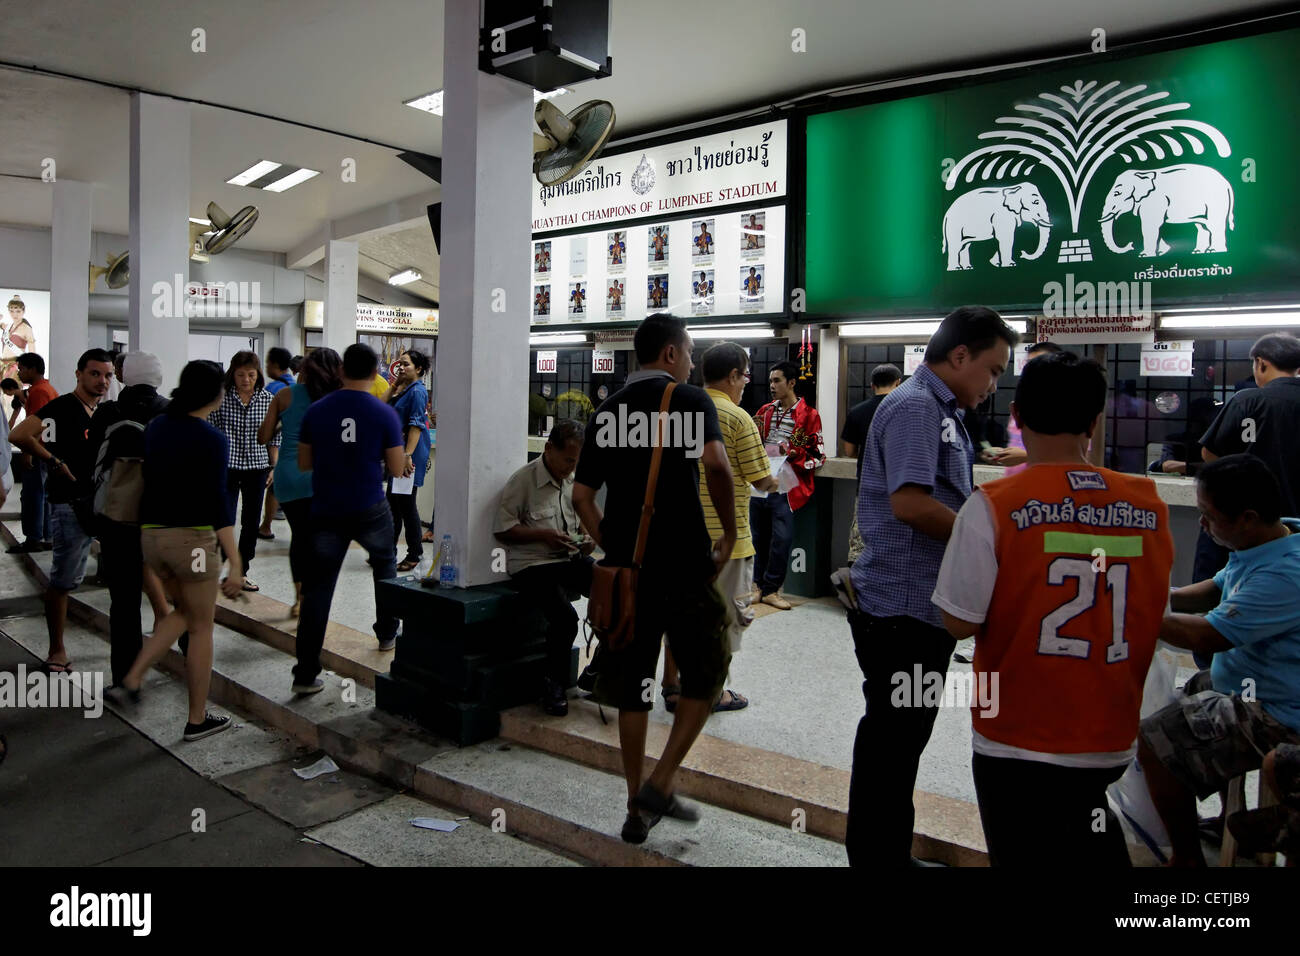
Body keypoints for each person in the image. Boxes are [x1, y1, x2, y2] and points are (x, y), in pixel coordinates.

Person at [932, 351, 1174, 866]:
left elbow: (958, 622)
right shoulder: (1148, 504)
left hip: (1016, 736)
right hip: (1109, 732)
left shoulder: (993, 504)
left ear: (1016, 416)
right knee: (1087, 829)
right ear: (1094, 420)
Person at [845, 305, 1016, 867]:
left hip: (915, 605)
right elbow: (911, 503)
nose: (993, 384)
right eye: (992, 369)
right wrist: (985, 540)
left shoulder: (937, 409)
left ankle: (885, 852)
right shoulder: (918, 407)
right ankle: (878, 859)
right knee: (893, 743)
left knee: (899, 741)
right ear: (960, 356)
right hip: (901, 608)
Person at [573, 313, 737, 844]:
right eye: (689, 353)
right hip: (686, 565)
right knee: (708, 670)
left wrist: (611, 543)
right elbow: (716, 466)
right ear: (670, 354)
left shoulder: (605, 412)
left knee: (632, 686)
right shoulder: (690, 401)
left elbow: (581, 496)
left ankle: (635, 804)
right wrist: (729, 534)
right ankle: (662, 781)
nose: (692, 363)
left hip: (626, 571)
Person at [1137, 454, 1300, 867]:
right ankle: (1219, 814)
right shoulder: (1269, 541)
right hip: (1241, 681)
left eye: (1208, 517)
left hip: (1278, 713)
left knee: (1153, 743)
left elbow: (1208, 633)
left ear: (1247, 517)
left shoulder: (1285, 573)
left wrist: (1131, 611)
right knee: (1171, 700)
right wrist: (1156, 594)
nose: (1203, 525)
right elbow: (1215, 589)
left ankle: (1187, 858)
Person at [116, 360, 245, 741]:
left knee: (184, 613)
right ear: (213, 394)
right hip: (192, 541)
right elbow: (219, 504)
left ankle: (134, 677)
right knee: (202, 627)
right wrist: (235, 562)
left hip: (153, 539)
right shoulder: (211, 439)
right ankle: (196, 719)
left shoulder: (158, 428)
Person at [662, 342, 777, 714]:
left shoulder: (679, 409)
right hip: (726, 541)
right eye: (745, 376)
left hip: (679, 537)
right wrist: (778, 480)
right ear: (732, 376)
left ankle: (671, 684)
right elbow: (761, 479)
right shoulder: (737, 417)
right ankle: (710, 692)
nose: (746, 383)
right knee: (723, 621)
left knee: (680, 614)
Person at [293, 344, 405, 694]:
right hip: (370, 506)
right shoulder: (384, 413)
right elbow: (399, 468)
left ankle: (306, 674)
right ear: (375, 374)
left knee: (318, 589)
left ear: (341, 370)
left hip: (326, 509)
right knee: (385, 568)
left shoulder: (316, 411)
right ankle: (387, 634)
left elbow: (304, 464)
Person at [10, 348, 114, 673]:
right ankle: (57, 650)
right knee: (63, 579)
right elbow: (19, 434)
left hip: (99, 502)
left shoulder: (102, 411)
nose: (102, 381)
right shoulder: (63, 406)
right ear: (79, 374)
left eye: (108, 375)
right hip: (69, 502)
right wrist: (53, 460)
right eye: (95, 374)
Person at [493, 419, 595, 716]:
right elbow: (503, 528)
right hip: (533, 564)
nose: (570, 468)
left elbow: (583, 526)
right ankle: (554, 684)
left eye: (576, 462)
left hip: (567, 558)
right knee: (565, 617)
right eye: (568, 460)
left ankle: (600, 668)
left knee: (613, 588)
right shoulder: (523, 481)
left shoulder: (573, 480)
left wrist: (586, 541)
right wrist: (544, 535)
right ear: (549, 449)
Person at [88, 352, 172, 688]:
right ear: (157, 378)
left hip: (116, 515)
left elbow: (91, 457)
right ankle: (189, 654)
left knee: (122, 600)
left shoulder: (109, 411)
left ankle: (125, 676)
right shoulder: (169, 412)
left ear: (125, 377)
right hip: (159, 517)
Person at [258, 348, 342, 618]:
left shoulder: (284, 395)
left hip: (290, 477)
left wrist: (285, 421)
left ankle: (299, 598)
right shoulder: (338, 399)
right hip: (323, 478)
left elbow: (263, 436)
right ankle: (316, 598)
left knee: (300, 538)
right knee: (321, 540)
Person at [750, 361, 825, 610]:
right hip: (760, 483)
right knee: (757, 537)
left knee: (781, 539)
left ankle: (772, 589)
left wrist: (792, 452)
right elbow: (755, 443)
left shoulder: (809, 416)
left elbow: (818, 455)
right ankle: (757, 586)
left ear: (792, 383)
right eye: (771, 381)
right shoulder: (764, 411)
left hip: (786, 486)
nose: (772, 386)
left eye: (777, 381)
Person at [1200, 332, 1300, 517]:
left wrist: (1238, 480)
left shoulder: (1246, 400)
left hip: (1251, 515)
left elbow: (1209, 453)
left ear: (1261, 363)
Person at [207, 350, 277, 592]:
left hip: (257, 467)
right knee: (223, 518)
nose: (246, 379)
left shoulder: (268, 400)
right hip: (227, 466)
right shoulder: (222, 398)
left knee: (251, 521)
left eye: (251, 374)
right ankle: (218, 567)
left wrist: (273, 466)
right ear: (232, 374)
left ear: (258, 375)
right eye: (240, 374)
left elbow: (274, 436)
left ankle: (242, 571)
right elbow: (212, 430)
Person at [840, 363, 902, 566]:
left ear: (872, 385)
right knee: (894, 543)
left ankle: (856, 593)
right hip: (898, 488)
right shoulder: (904, 410)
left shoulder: (858, 412)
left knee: (860, 545)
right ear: (898, 383)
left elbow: (849, 452)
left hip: (867, 487)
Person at [980, 341, 1061, 472]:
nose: (1032, 370)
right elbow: (1016, 446)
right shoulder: (1020, 406)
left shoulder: (1068, 407)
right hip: (1017, 486)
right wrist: (1000, 454)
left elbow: (1078, 458)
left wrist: (1026, 456)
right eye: (1029, 364)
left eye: (1041, 364)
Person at [386, 348, 432, 571]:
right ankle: (388, 551)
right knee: (393, 504)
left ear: (419, 368)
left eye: (407, 365)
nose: (402, 368)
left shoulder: (417, 392)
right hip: (399, 453)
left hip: (409, 454)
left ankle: (414, 553)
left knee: (405, 505)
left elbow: (416, 425)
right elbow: (383, 405)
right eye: (400, 364)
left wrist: (407, 456)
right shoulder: (405, 389)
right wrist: (395, 384)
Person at [7, 352, 58, 553]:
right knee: (42, 494)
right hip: (45, 450)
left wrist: (28, 451)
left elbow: (38, 426)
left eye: (22, 369)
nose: (19, 373)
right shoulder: (45, 389)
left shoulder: (38, 392)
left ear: (33, 369)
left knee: (33, 494)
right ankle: (45, 536)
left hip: (38, 450)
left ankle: (33, 538)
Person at [257, 347, 296, 540]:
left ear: (274, 364)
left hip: (275, 448)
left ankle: (266, 526)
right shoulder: (295, 386)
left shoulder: (273, 389)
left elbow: (264, 427)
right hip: (295, 450)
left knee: (270, 487)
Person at [2, 294, 36, 382]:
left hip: (16, 367)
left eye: (18, 311)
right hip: (2, 365)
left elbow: (32, 352)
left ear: (23, 311)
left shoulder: (26, 328)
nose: (14, 314)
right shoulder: (8, 326)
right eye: (12, 311)